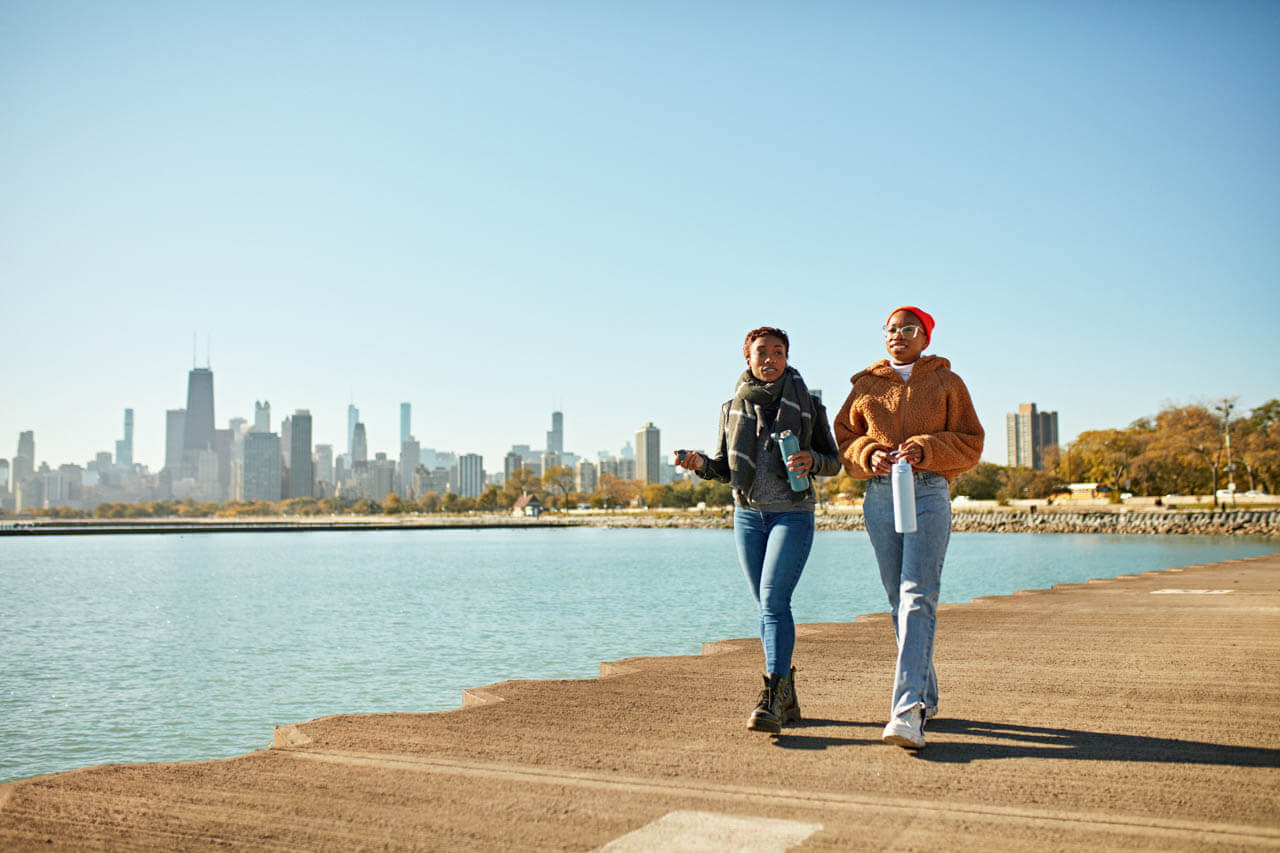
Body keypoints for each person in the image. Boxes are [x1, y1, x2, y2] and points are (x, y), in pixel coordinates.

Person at [675, 326, 841, 734]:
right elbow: (725, 469)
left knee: (772, 600)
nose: (770, 359)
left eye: (778, 352)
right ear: (746, 358)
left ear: (787, 358)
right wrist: (700, 465)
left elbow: (833, 460)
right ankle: (788, 696)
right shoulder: (731, 407)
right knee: (767, 607)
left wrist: (811, 461)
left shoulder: (809, 404)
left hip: (792, 512)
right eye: (761, 352)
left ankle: (771, 697)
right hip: (747, 515)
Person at [833, 306, 983, 749]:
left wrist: (925, 447)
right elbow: (842, 438)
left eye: (909, 330)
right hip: (880, 495)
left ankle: (906, 712)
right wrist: (868, 453)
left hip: (929, 491)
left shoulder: (947, 383)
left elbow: (971, 442)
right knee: (898, 600)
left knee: (918, 593)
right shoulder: (866, 385)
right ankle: (926, 695)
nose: (899, 335)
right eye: (892, 329)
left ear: (925, 339)